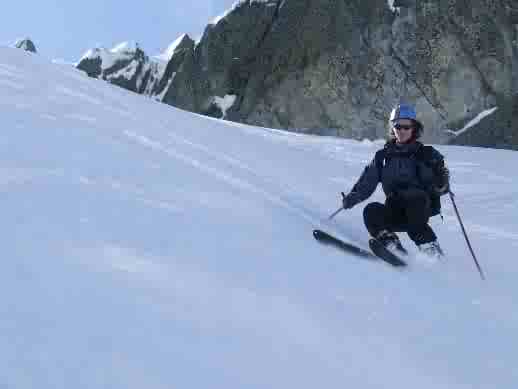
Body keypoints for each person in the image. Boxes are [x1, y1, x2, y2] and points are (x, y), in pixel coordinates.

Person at [341, 103, 450, 257]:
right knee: (371, 211)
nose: (402, 131)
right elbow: (367, 182)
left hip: (418, 208)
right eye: (398, 126)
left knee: (414, 204)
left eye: (406, 127)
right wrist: (351, 198)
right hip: (395, 208)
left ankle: (432, 252)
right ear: (392, 128)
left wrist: (442, 183)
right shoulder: (383, 156)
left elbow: (440, 187)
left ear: (414, 128)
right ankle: (392, 246)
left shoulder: (426, 154)